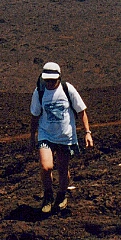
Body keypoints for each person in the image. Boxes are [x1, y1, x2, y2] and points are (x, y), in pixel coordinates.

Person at [29, 61, 93, 213]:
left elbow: (81, 111)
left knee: (63, 169)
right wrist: (32, 137)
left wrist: (87, 132)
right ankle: (48, 195)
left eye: (53, 80)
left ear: (59, 78)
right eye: (47, 80)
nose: (50, 83)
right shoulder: (39, 91)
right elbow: (34, 116)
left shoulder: (67, 89)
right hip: (46, 135)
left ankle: (62, 195)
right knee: (46, 167)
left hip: (65, 136)